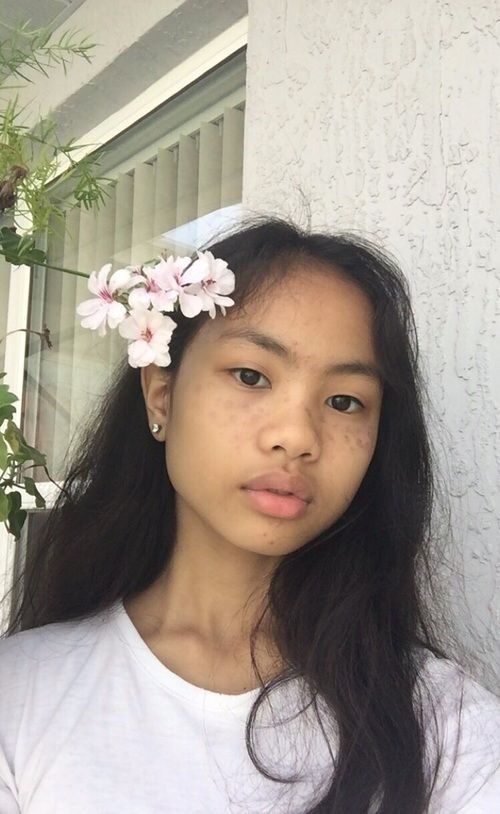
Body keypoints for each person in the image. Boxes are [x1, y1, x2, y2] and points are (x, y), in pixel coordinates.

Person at [0, 217, 498, 814]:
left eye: (345, 402)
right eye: (250, 375)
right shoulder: (21, 693)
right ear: (162, 394)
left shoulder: (450, 731)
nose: (297, 436)